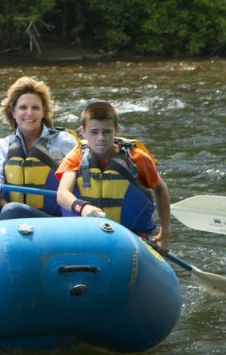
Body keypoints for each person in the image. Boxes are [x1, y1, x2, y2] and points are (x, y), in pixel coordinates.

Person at [56, 101, 172, 251]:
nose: (101, 138)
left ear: (116, 129)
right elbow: (62, 193)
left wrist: (165, 234)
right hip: (84, 238)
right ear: (83, 131)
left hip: (129, 240)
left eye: (107, 132)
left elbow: (160, 189)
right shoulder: (76, 157)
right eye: (94, 132)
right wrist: (83, 208)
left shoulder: (137, 159)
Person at [0, 76, 79, 227]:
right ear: (13, 112)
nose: (29, 113)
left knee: (12, 210)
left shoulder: (63, 142)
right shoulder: (3, 145)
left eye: (35, 108)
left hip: (53, 219)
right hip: (10, 211)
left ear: (43, 112)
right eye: (23, 107)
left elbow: (80, 181)